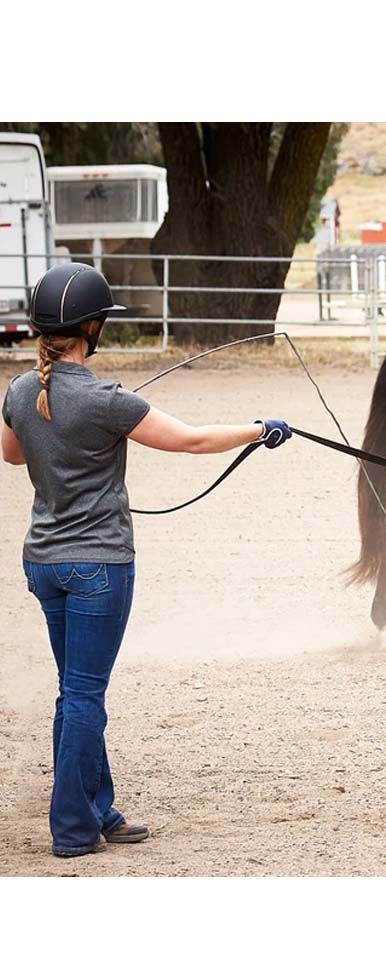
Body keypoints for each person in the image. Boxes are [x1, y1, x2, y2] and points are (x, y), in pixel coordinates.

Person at [1, 262, 292, 859]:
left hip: (44, 564)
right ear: (92, 326)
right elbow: (188, 439)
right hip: (98, 565)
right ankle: (73, 830)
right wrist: (257, 428)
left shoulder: (21, 389)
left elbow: (11, 454)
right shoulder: (107, 399)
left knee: (74, 692)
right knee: (84, 696)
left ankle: (97, 809)